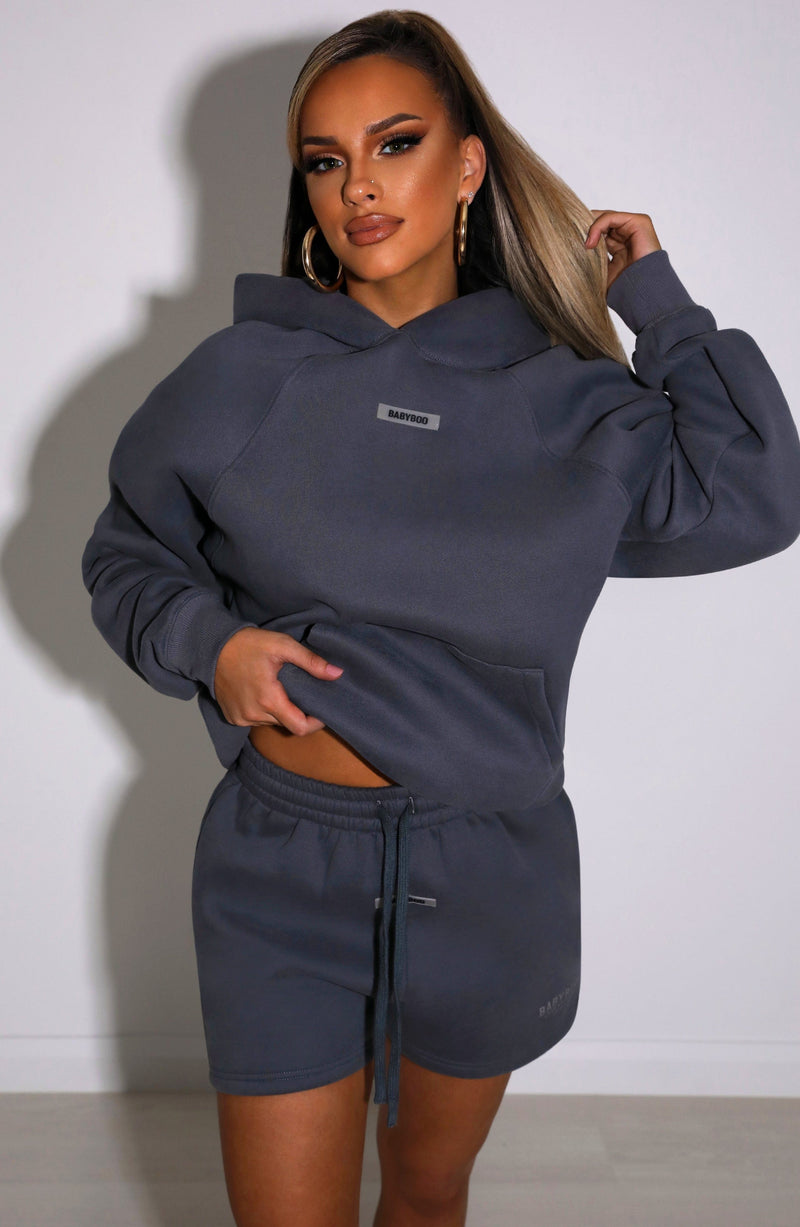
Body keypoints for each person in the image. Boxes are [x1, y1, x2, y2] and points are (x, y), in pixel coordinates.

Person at [80, 9, 800, 1227]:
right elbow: (124, 555)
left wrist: (658, 305)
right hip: (279, 868)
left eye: (395, 144)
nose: (357, 187)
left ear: (467, 166)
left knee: (424, 1200)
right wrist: (212, 645)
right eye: (324, 160)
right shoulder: (242, 377)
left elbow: (757, 494)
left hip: (488, 872)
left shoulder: (570, 406)